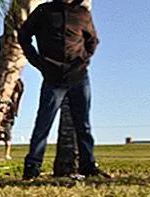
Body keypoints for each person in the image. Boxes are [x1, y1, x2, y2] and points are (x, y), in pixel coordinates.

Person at [18, 0, 110, 179]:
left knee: (83, 124)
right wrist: (38, 62)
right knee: (43, 125)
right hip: (53, 78)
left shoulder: (82, 13)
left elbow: (92, 40)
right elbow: (24, 35)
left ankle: (88, 166)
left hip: (79, 76)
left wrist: (83, 60)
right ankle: (32, 168)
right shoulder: (44, 11)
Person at [0, 78, 24, 160]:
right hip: (6, 118)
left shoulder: (13, 98)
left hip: (8, 119)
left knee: (7, 137)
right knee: (3, 137)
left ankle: (5, 154)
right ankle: (1, 155)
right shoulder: (8, 97)